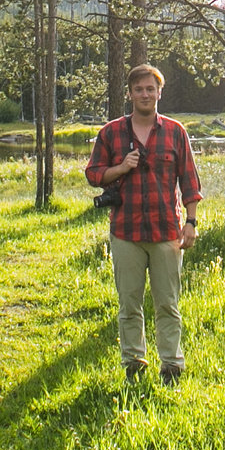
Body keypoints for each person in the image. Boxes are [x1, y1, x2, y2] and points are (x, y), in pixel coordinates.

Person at [85, 63, 200, 384]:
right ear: (130, 94)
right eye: (139, 89)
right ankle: (134, 362)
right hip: (126, 233)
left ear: (159, 93)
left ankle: (172, 366)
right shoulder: (110, 133)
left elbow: (190, 182)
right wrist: (121, 168)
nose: (145, 94)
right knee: (129, 304)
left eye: (151, 89)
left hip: (167, 232)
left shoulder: (176, 132)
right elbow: (94, 174)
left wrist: (190, 222)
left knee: (168, 304)